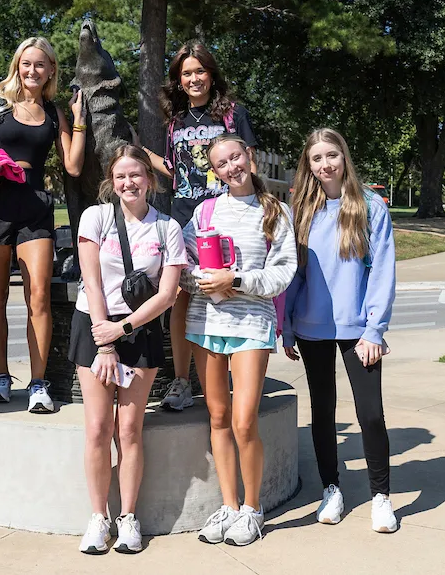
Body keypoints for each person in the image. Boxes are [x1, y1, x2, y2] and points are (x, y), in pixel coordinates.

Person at [0, 37, 85, 414]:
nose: (33, 71)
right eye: (27, 63)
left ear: (51, 71)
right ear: (18, 65)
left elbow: (73, 166)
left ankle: (38, 383)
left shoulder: (53, 112)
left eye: (41, 65)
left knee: (39, 299)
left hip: (34, 207)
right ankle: (0, 376)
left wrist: (78, 121)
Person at [70, 145, 186, 554]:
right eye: (120, 176)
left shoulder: (166, 228)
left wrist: (123, 329)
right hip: (96, 325)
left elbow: (168, 294)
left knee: (130, 429)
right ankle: (99, 517)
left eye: (136, 175)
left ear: (149, 180)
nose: (128, 182)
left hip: (139, 330)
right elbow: (92, 279)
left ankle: (129, 518)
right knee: (99, 428)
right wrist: (105, 342)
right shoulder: (96, 217)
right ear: (111, 182)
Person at [282, 128, 398, 533]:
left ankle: (381, 497)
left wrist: (375, 330)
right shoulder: (302, 209)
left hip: (359, 330)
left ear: (343, 157)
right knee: (323, 413)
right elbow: (294, 273)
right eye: (317, 158)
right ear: (308, 164)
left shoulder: (370, 206)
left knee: (370, 415)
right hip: (311, 328)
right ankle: (332, 489)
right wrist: (287, 325)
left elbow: (383, 271)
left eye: (332, 155)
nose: (325, 164)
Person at [183, 134, 296, 546]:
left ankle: (253, 509)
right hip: (206, 321)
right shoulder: (204, 211)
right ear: (215, 171)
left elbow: (283, 272)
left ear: (249, 156)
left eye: (236, 157)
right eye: (222, 163)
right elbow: (183, 265)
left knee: (244, 421)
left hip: (251, 324)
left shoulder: (275, 211)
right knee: (217, 418)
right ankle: (229, 506)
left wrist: (238, 280)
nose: (232, 167)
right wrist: (205, 281)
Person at [139, 42, 259, 412]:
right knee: (179, 297)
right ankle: (181, 380)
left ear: (211, 74)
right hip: (182, 217)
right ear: (178, 79)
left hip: (224, 216)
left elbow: (248, 164)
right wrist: (143, 155)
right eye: (186, 73)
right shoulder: (175, 120)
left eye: (200, 71)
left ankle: (230, 375)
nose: (194, 79)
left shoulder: (232, 114)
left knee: (225, 291)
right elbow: (177, 170)